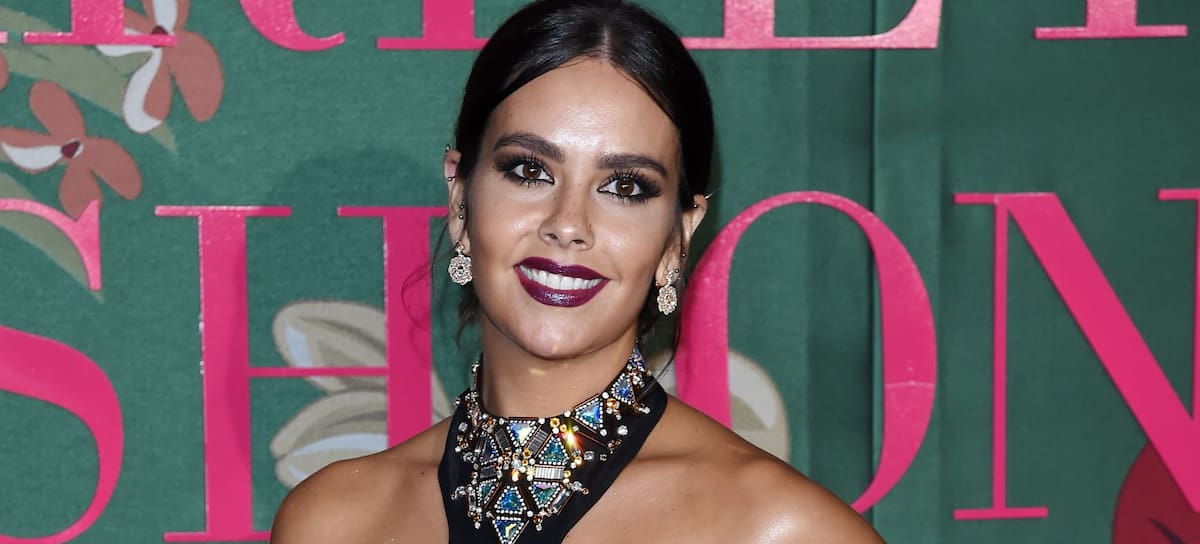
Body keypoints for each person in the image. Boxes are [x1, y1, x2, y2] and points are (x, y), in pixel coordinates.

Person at [270, 1, 885, 542]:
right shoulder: (332, 523)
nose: (568, 224)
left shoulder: (782, 531)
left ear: (678, 237)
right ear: (461, 201)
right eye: (529, 171)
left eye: (625, 186)